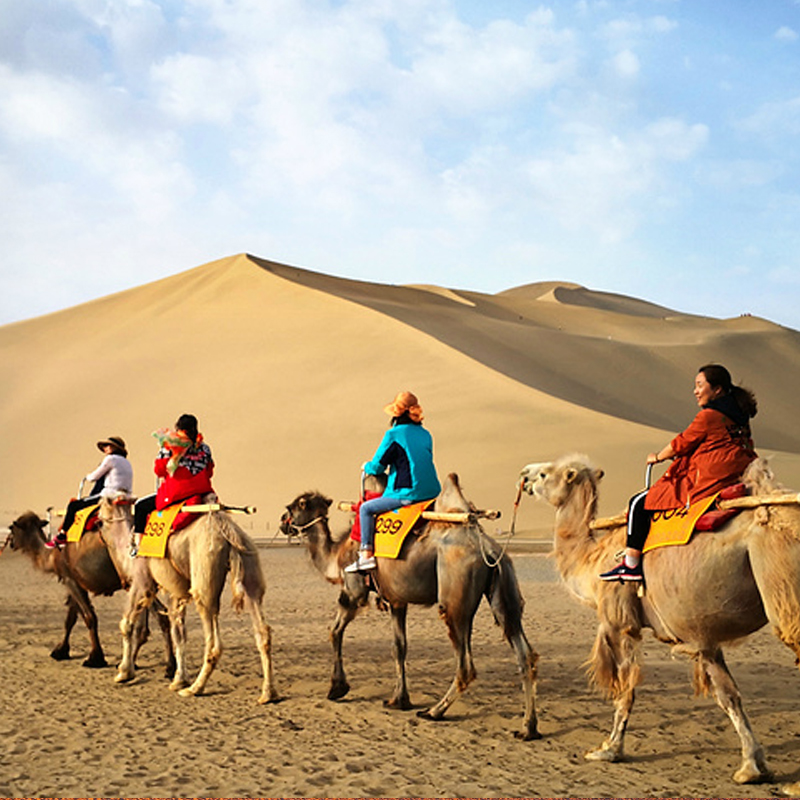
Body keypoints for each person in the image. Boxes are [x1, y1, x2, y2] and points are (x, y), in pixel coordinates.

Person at [600, 363, 758, 582]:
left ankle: (631, 564)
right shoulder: (737, 414)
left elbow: (681, 443)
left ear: (717, 390)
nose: (695, 391)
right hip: (737, 471)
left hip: (710, 477)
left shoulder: (709, 416)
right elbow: (715, 442)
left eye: (700, 385)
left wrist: (657, 456)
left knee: (638, 502)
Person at [345, 391, 441, 573]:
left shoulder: (394, 435)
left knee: (366, 509)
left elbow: (378, 467)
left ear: (397, 414)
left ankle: (366, 555)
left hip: (408, 494)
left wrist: (367, 466)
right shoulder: (426, 434)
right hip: (432, 493)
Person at [132, 414, 215, 548]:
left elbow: (159, 471)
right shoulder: (205, 448)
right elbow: (209, 471)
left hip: (177, 493)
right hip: (203, 491)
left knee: (140, 507)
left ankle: (138, 546)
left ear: (178, 427)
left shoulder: (170, 446)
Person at [47, 436, 133, 548]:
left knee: (74, 505)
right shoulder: (127, 462)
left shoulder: (110, 459)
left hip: (109, 495)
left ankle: (62, 535)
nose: (105, 449)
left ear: (114, 448)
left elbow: (94, 477)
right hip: (126, 495)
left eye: (108, 446)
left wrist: (87, 476)